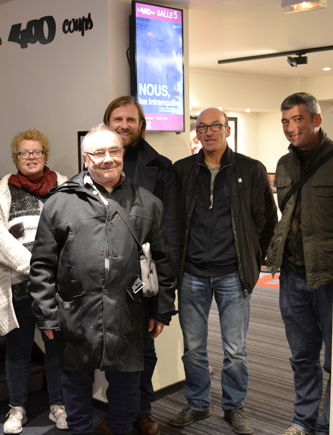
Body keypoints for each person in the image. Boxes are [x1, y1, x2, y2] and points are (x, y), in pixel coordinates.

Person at [28, 124, 177, 435]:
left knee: (126, 388)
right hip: (75, 313)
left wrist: (161, 310)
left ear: (122, 154)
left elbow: (162, 262)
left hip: (129, 312)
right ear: (86, 158)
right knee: (76, 385)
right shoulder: (60, 202)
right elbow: (42, 264)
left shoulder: (149, 203)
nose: (107, 158)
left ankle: (121, 428)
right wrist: (46, 316)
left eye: (114, 151)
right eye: (99, 152)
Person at [168, 107, 277, 434]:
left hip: (233, 274)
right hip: (191, 274)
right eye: (203, 127)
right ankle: (198, 403)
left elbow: (266, 222)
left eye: (216, 126)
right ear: (197, 133)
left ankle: (235, 407)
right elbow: (173, 222)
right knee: (194, 348)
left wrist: (253, 259)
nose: (209, 132)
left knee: (235, 350)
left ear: (227, 131)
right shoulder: (182, 170)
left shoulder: (251, 169)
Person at [103, 96, 180, 435]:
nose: (123, 125)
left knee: (145, 351)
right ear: (108, 124)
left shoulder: (161, 167)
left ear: (141, 124)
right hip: (104, 280)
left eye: (130, 120)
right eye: (117, 119)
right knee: (111, 350)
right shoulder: (94, 166)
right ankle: (121, 411)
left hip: (143, 280)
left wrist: (164, 300)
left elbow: (171, 235)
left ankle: (142, 411)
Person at [0, 129, 68, 434]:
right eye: (24, 153)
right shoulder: (1, 192)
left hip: (56, 287)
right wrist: (34, 267)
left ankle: (58, 405)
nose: (31, 157)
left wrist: (50, 270)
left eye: (37, 152)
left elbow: (72, 231)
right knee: (19, 348)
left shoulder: (65, 188)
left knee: (56, 347)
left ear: (45, 155)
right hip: (17, 286)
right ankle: (17, 408)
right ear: (16, 158)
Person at [267, 92, 333, 435]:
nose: (291, 128)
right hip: (292, 276)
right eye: (285, 121)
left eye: (298, 120)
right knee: (302, 356)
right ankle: (304, 421)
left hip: (329, 278)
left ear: (316, 120)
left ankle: (327, 424)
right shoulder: (284, 164)